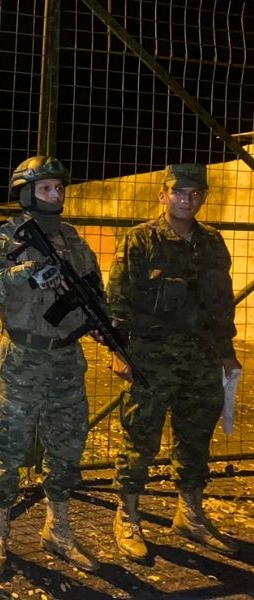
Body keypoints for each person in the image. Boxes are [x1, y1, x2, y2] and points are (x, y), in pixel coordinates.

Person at [0, 155, 101, 576]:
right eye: (46, 188)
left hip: (66, 358)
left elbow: (94, 290)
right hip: (22, 359)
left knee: (66, 447)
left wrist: (102, 321)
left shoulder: (73, 240)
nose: (55, 195)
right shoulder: (3, 240)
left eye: (59, 188)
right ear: (25, 193)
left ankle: (57, 528)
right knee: (8, 450)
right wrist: (25, 273)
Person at [108, 163, 241, 561]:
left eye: (195, 193)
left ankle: (190, 514)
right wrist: (118, 350)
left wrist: (226, 352)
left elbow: (221, 303)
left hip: (200, 358)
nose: (187, 199)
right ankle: (128, 516)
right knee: (140, 438)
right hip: (151, 358)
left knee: (196, 437)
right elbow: (117, 300)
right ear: (163, 195)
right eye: (179, 192)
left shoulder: (212, 242)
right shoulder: (139, 240)